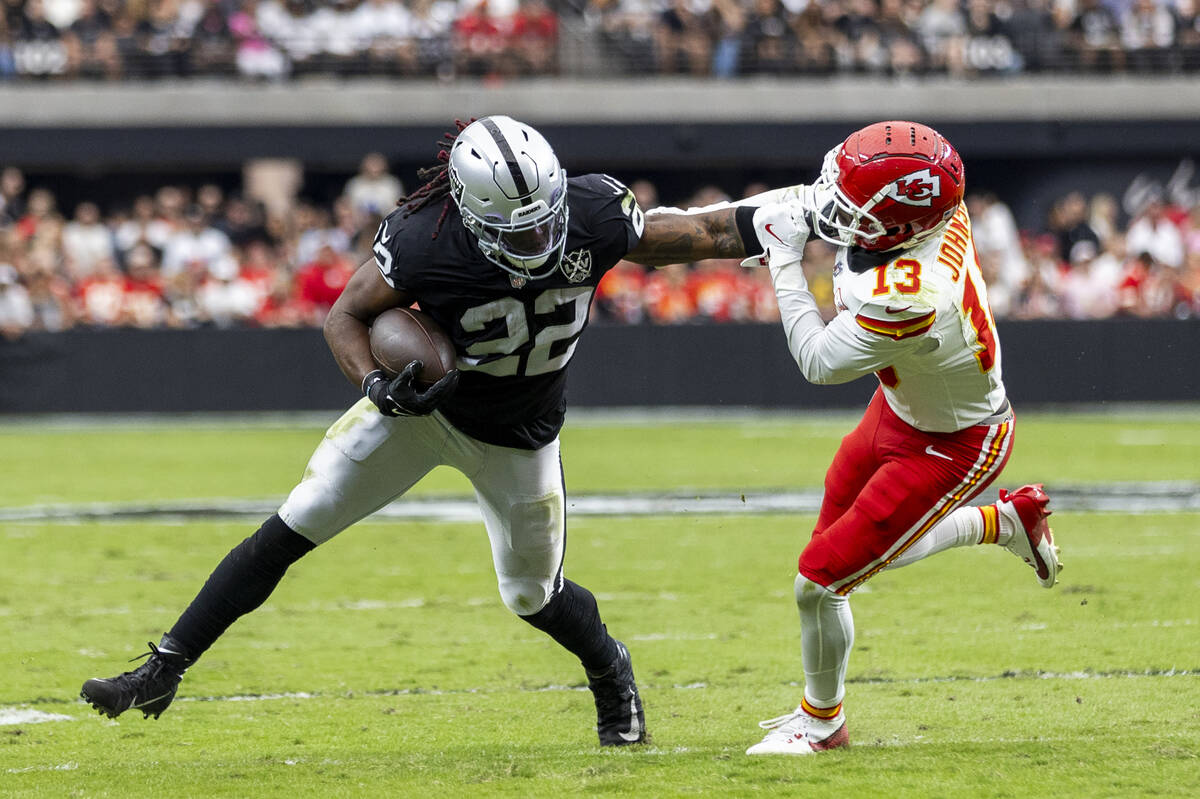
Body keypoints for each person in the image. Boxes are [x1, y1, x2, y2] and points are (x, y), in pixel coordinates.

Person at [79, 115, 760, 747]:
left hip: (518, 433)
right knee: (297, 518)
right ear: (470, 214)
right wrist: (376, 386)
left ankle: (609, 665)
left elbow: (705, 234)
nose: (537, 241)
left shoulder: (593, 211)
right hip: (423, 414)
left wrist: (788, 219)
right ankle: (166, 663)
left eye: (543, 222)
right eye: (515, 231)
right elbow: (344, 317)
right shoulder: (423, 237)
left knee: (531, 593)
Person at [734, 121, 1062, 755]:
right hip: (898, 409)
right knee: (832, 557)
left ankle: (822, 723)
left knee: (821, 580)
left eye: (853, 204)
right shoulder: (930, 210)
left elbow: (818, 361)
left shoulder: (914, 294)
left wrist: (782, 257)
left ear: (901, 224)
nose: (836, 208)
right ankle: (1008, 523)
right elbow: (861, 202)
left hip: (958, 444)